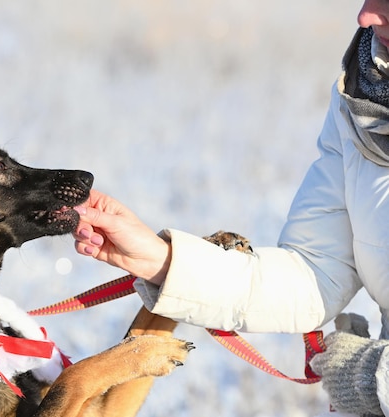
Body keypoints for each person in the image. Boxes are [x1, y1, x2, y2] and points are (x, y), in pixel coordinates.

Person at [72, 1, 389, 416]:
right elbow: (315, 274)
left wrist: (373, 378)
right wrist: (161, 260)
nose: (365, 16)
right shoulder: (362, 95)